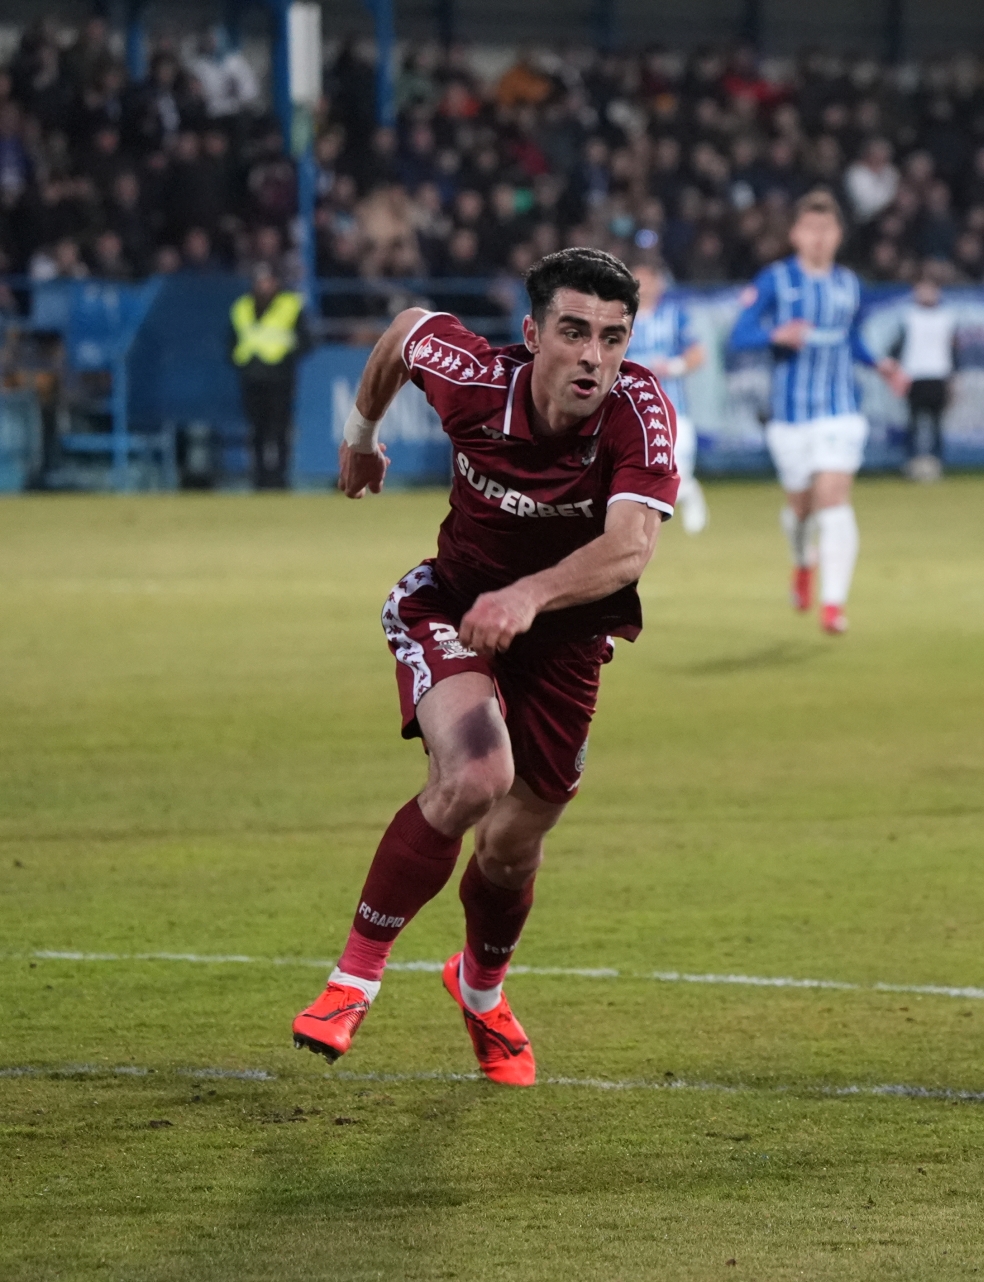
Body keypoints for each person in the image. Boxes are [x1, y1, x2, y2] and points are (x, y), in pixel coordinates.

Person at [290, 247, 680, 1086]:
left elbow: (629, 548)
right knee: (475, 776)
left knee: (512, 846)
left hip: (565, 643)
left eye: (612, 338)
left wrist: (530, 597)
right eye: (573, 332)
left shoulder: (638, 412)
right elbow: (405, 331)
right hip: (453, 608)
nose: (593, 356)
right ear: (532, 334)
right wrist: (360, 437)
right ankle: (351, 981)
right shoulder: (474, 380)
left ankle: (479, 988)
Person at [730, 189, 872, 635]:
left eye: (826, 229)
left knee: (833, 496)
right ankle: (801, 561)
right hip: (790, 418)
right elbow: (738, 336)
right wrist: (776, 335)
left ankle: (833, 605)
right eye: (810, 228)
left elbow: (853, 340)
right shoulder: (776, 280)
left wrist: (882, 365)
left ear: (839, 235)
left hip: (840, 411)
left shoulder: (850, 285)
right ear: (795, 234)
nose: (818, 237)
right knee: (800, 511)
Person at [625, 246, 709, 532]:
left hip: (673, 408)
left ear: (659, 282)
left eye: (648, 279)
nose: (643, 286)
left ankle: (690, 491)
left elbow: (698, 354)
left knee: (676, 473)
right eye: (638, 280)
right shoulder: (621, 320)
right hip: (634, 411)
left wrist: (672, 367)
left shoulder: (675, 316)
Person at [230, 262, 309, 489]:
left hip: (280, 377)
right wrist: (240, 362)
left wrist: (288, 358)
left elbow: (305, 340)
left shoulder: (290, 305)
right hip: (252, 376)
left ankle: (280, 476)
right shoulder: (242, 307)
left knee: (280, 428)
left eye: (267, 280)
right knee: (256, 429)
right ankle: (259, 476)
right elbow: (232, 341)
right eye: (260, 281)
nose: (264, 286)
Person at [885, 272, 957, 482]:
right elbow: (896, 347)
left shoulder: (947, 318)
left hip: (938, 375)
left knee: (936, 424)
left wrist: (954, 378)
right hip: (914, 376)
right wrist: (895, 372)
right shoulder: (908, 317)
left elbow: (954, 350)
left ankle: (937, 464)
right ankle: (911, 464)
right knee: (913, 423)